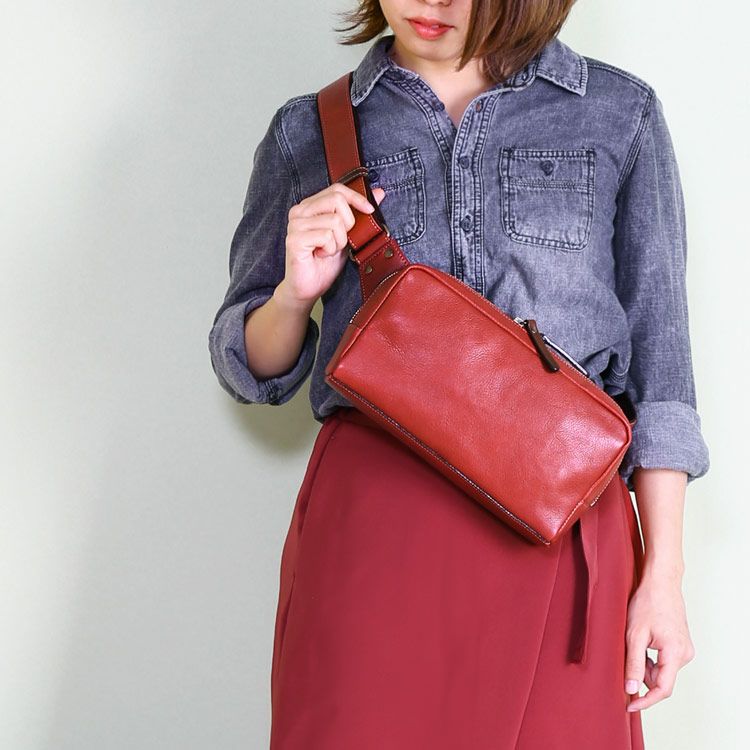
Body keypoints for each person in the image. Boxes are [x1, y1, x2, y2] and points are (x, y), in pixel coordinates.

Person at [208, 1, 711, 747]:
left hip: (562, 524)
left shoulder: (617, 112)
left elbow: (662, 373)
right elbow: (250, 367)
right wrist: (293, 294)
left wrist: (662, 577)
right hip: (376, 529)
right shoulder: (309, 128)